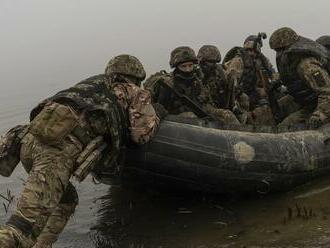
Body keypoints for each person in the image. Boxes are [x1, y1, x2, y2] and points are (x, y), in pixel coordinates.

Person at [0, 54, 161, 248]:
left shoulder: (90, 84)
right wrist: (157, 115)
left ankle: (42, 245)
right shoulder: (134, 91)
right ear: (136, 76)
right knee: (21, 230)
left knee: (66, 200)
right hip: (55, 155)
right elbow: (141, 135)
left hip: (26, 143)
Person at [144, 46, 239, 124]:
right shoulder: (166, 82)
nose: (188, 70)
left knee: (226, 115)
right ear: (176, 67)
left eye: (190, 65)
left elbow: (206, 103)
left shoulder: (197, 81)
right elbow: (147, 102)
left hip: (197, 114)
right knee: (191, 117)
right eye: (183, 66)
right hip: (172, 120)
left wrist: (213, 113)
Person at [269, 27, 330, 128]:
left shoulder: (306, 65)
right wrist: (278, 81)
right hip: (307, 101)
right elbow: (294, 76)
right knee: (278, 108)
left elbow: (327, 92)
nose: (279, 54)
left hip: (319, 105)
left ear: (287, 47)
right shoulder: (293, 61)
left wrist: (319, 115)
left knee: (284, 127)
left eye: (280, 50)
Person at [223, 33, 276, 125]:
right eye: (248, 50)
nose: (251, 53)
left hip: (251, 92)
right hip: (237, 96)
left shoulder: (260, 61)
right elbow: (231, 83)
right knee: (244, 99)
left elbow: (272, 73)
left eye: (253, 51)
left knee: (266, 96)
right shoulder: (238, 61)